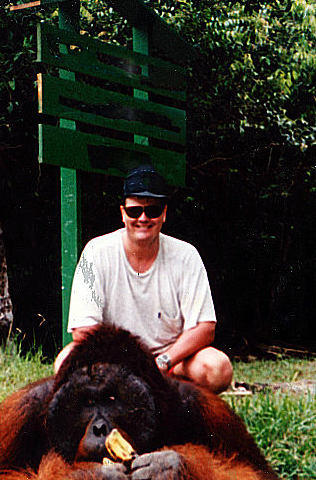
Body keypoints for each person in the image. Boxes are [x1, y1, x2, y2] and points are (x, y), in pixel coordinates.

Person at [54, 165, 233, 393]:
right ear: (122, 213)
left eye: (153, 210)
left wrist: (163, 362)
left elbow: (204, 328)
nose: (143, 218)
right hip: (113, 359)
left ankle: (173, 396)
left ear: (164, 214)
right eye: (134, 211)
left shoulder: (187, 255)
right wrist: (128, 363)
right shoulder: (95, 252)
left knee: (218, 368)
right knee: (64, 362)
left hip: (171, 360)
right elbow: (83, 330)